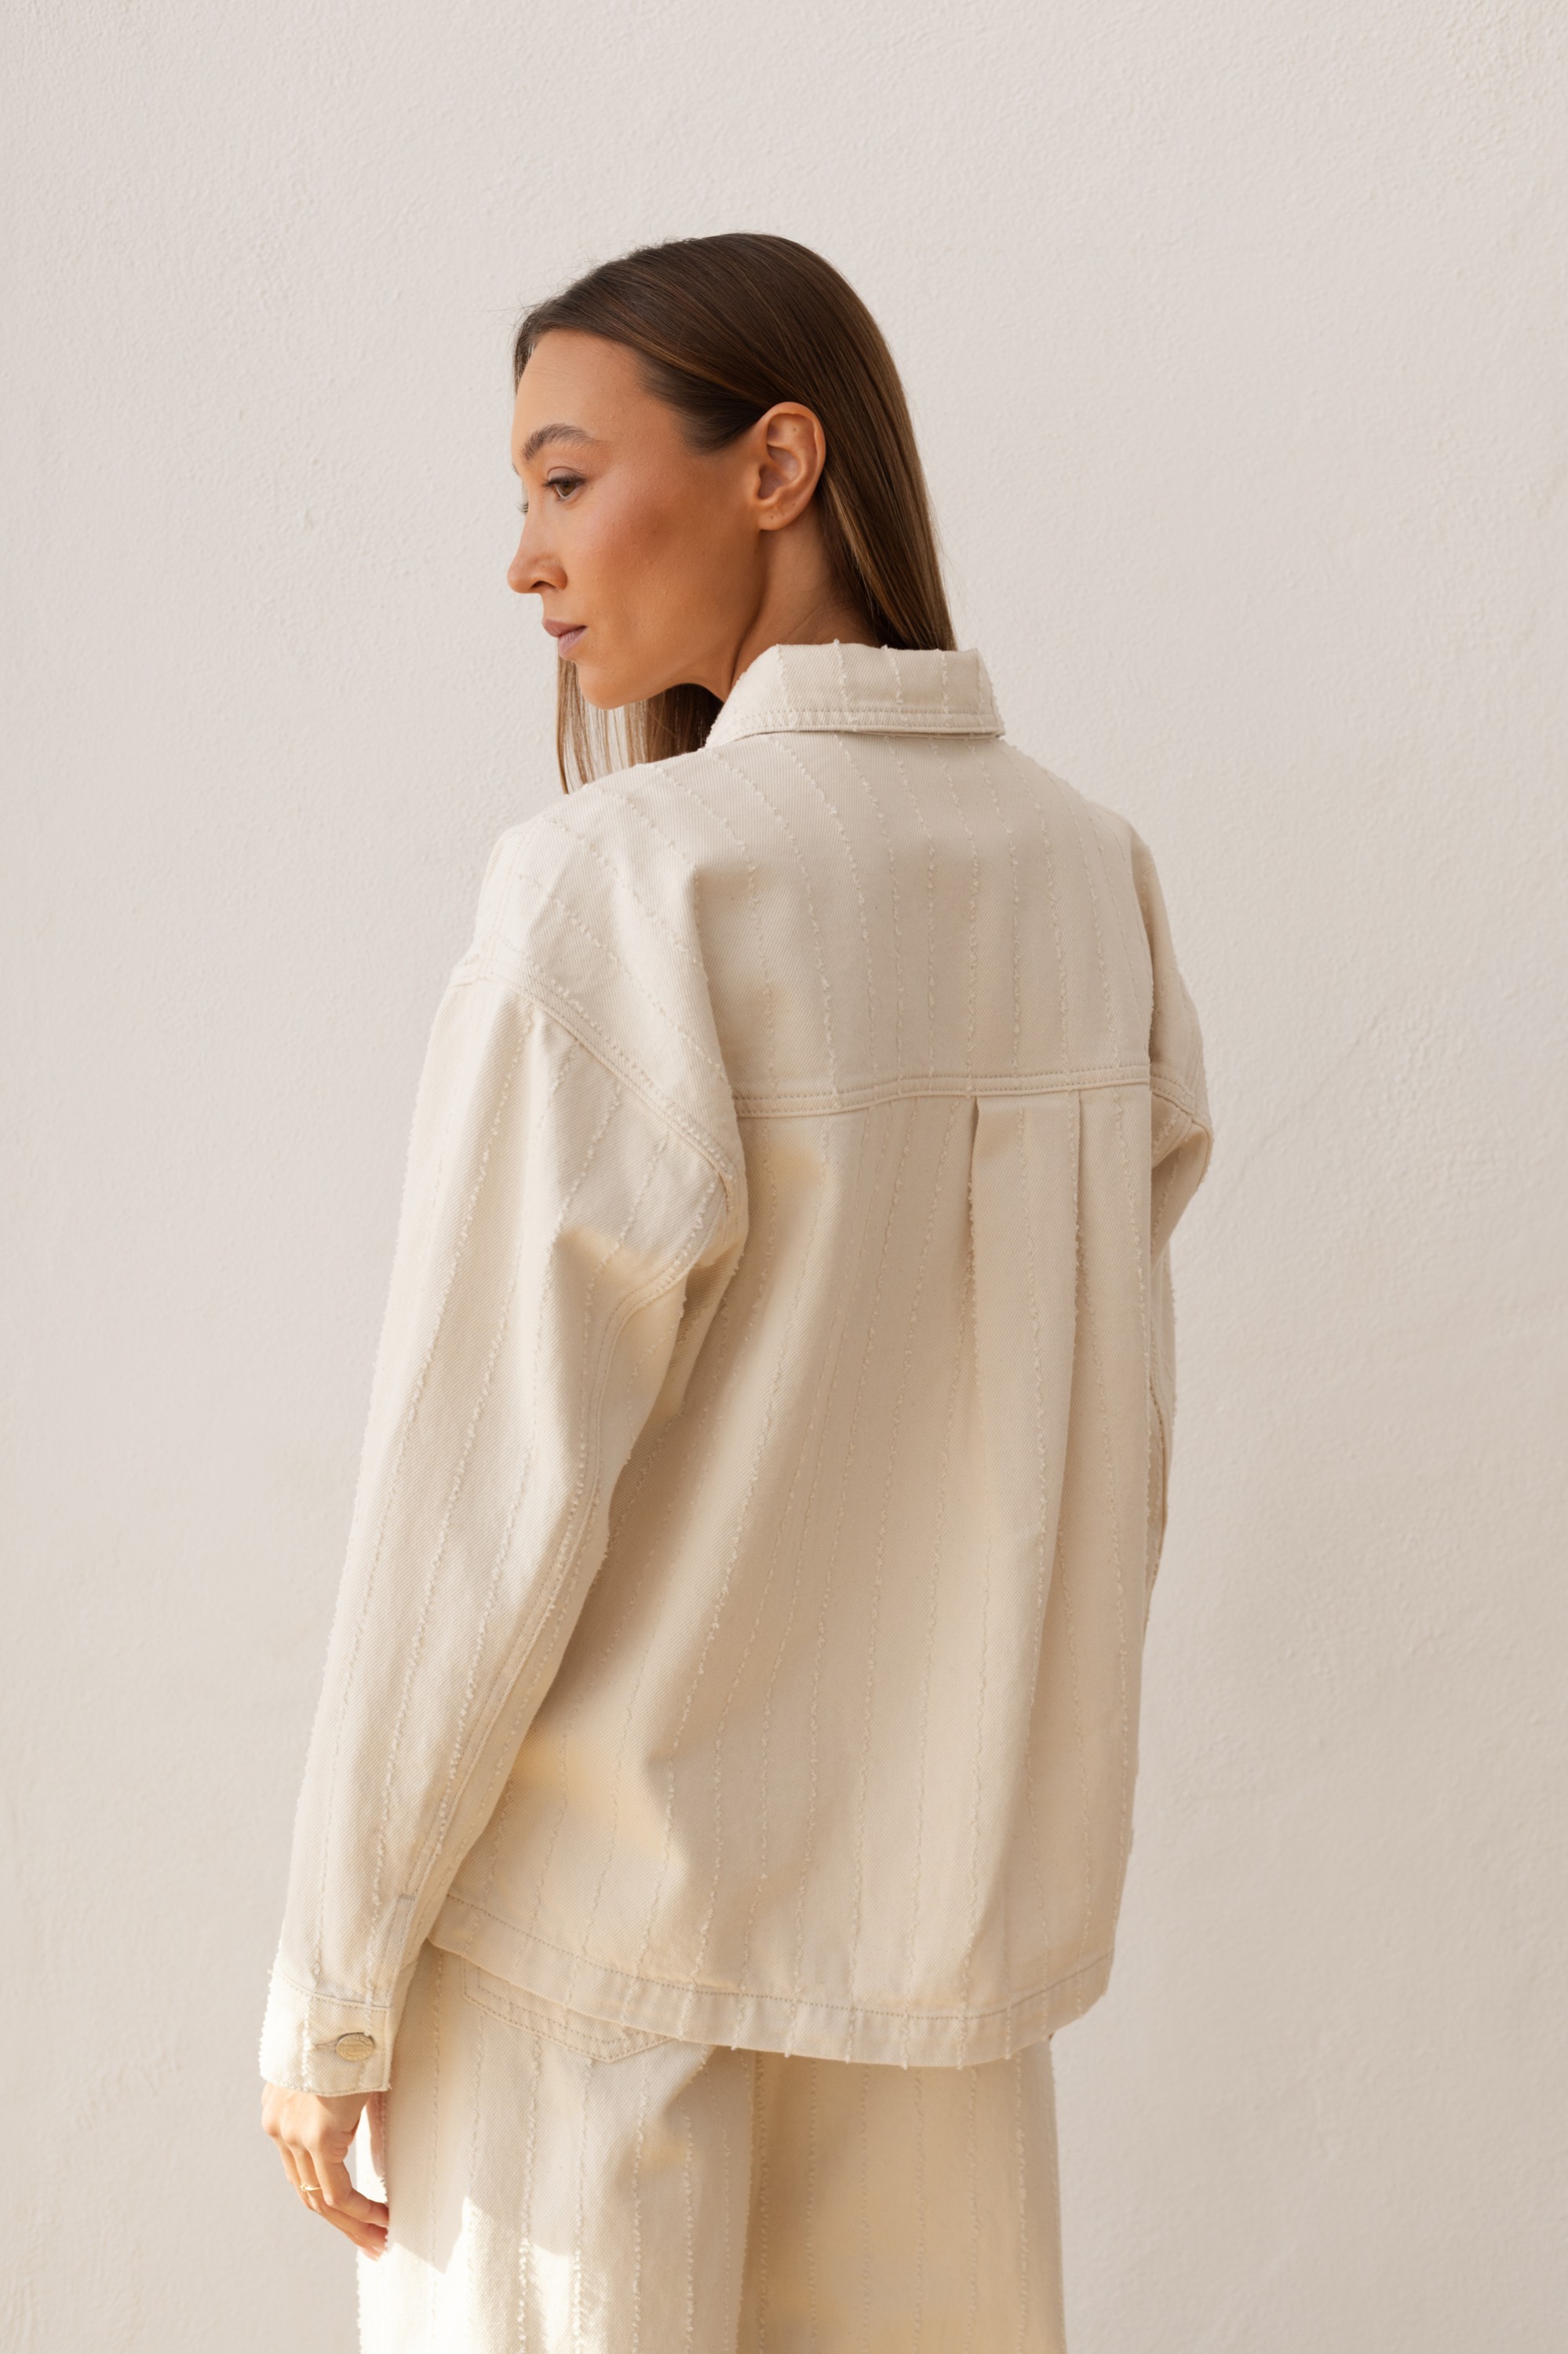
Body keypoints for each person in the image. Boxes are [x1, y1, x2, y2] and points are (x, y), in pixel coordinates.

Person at [258, 231, 1212, 2352]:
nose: (526, 559)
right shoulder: (1092, 882)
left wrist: (331, 1981)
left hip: (587, 1991)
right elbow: (1111, 1456)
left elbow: (474, 1494)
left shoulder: (621, 886)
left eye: (566, 477)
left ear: (779, 464)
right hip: (940, 1981)